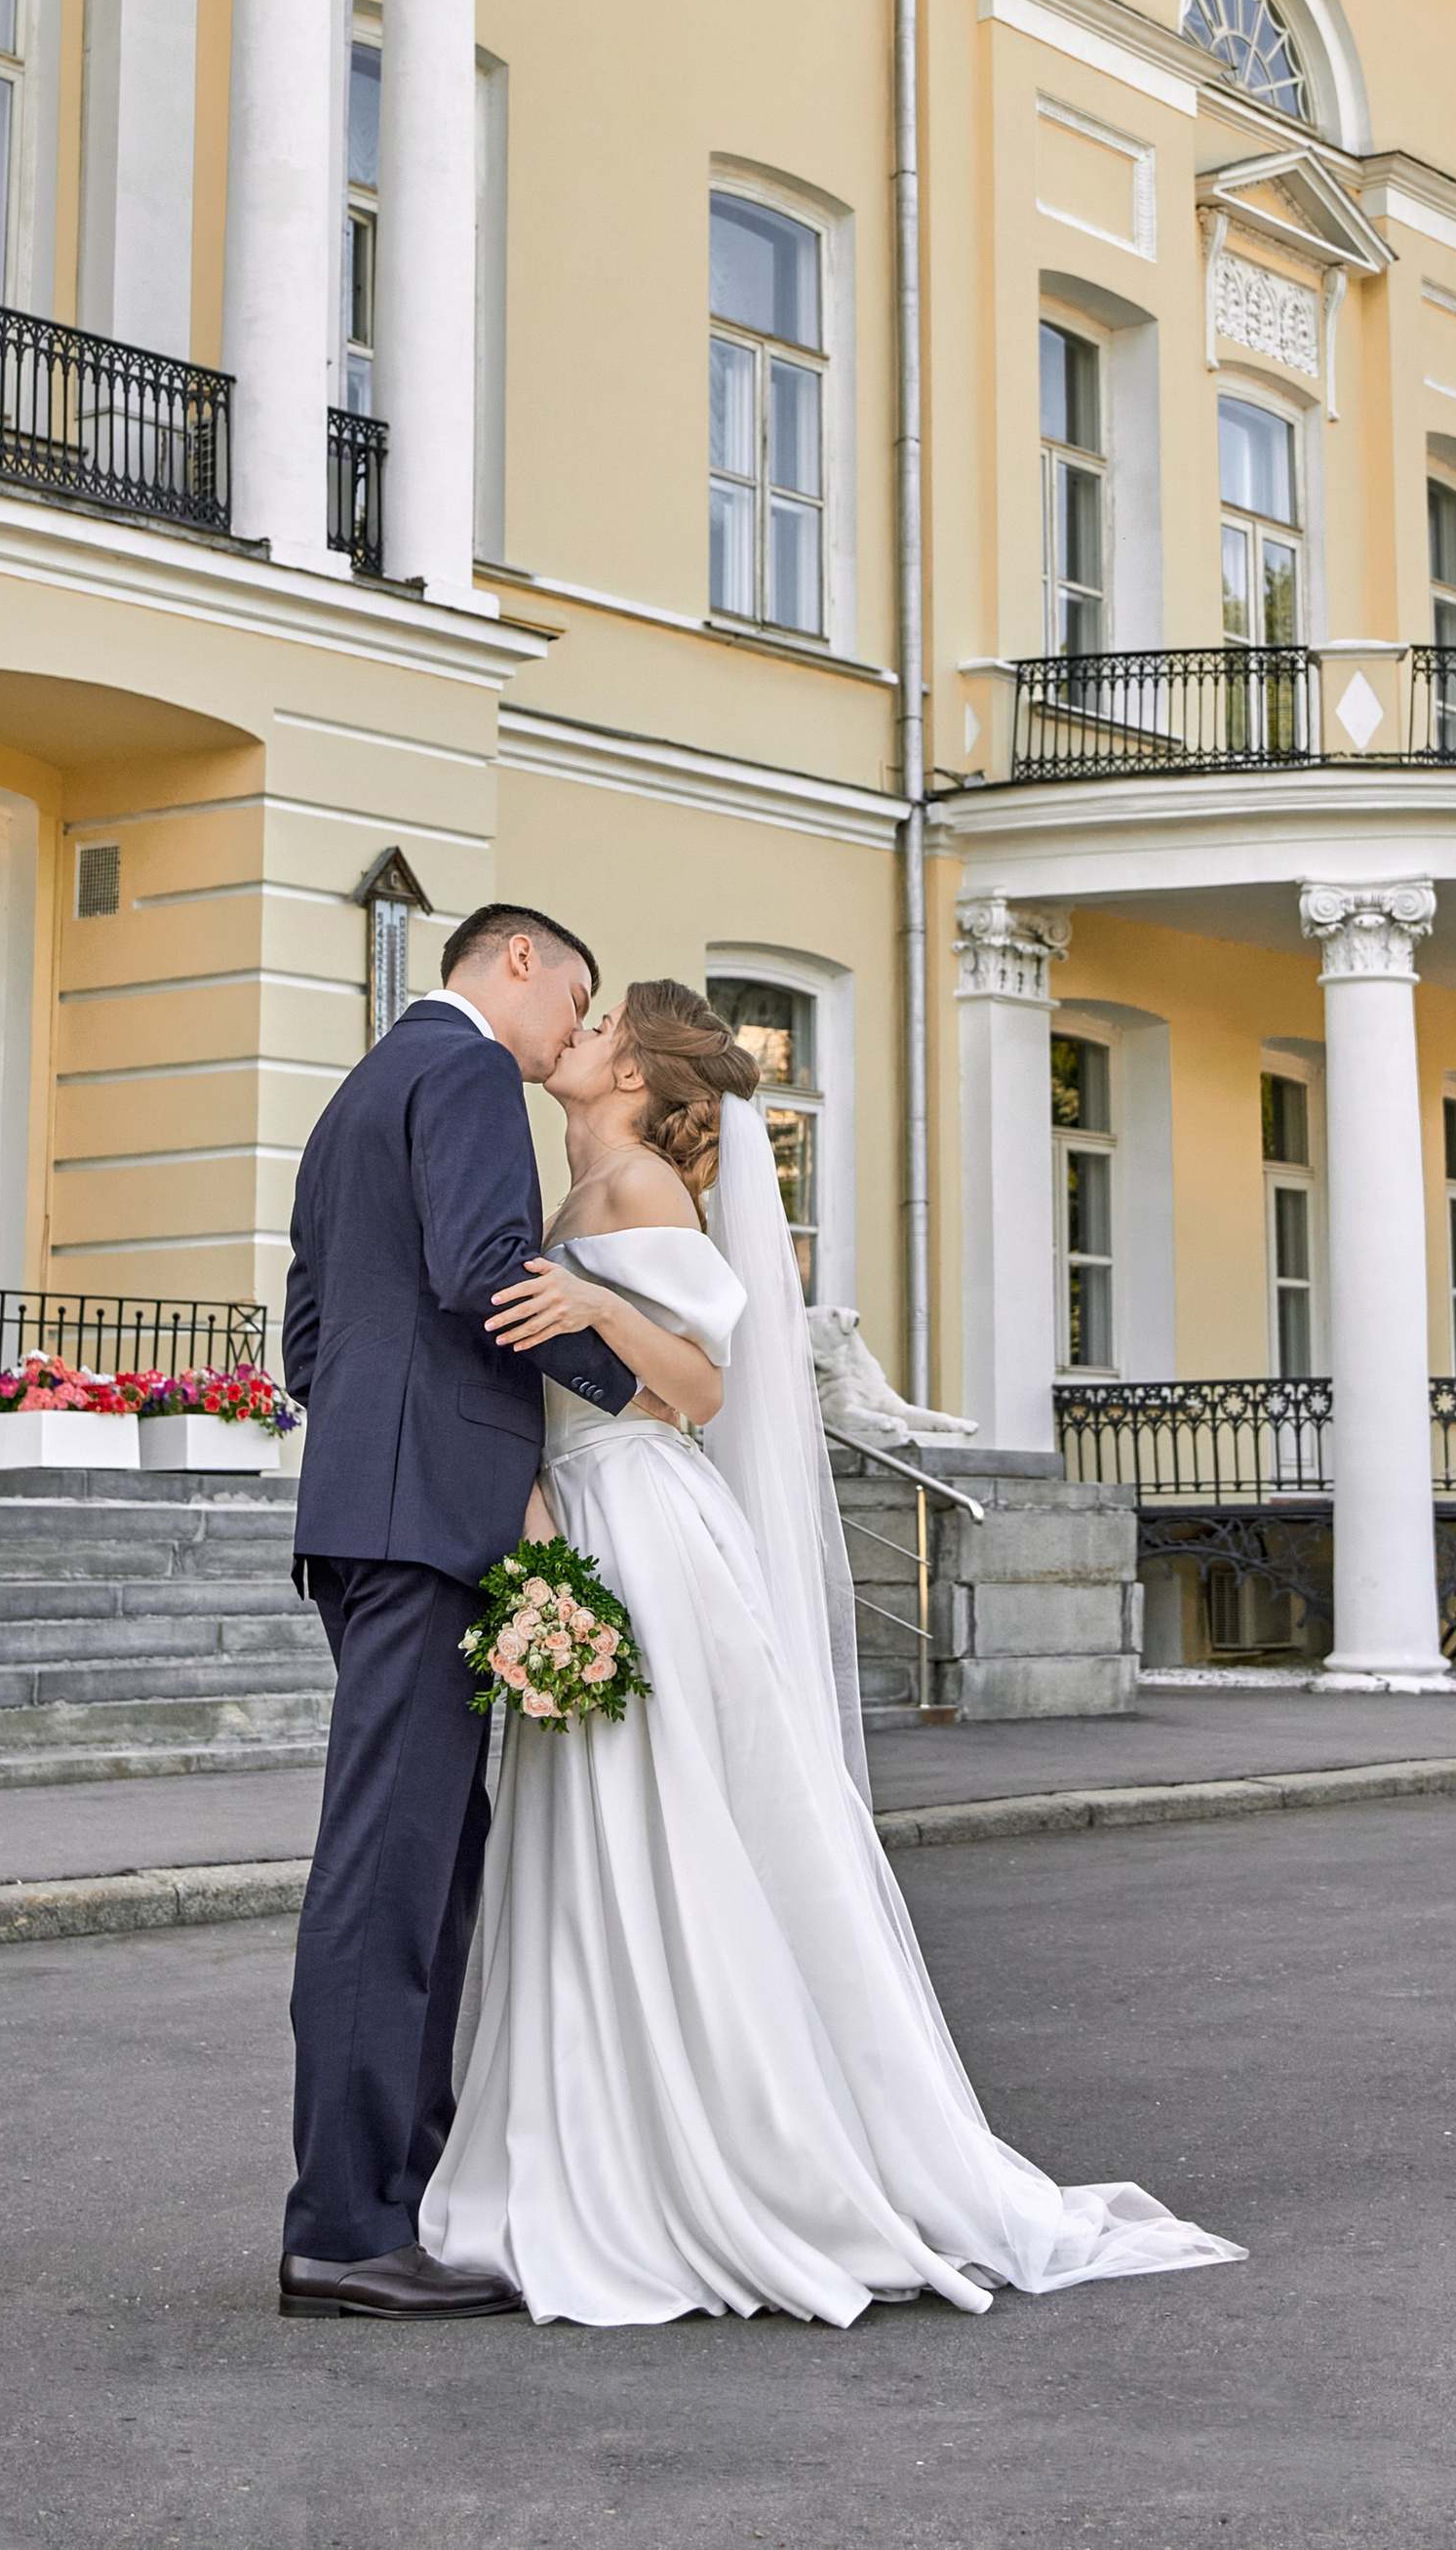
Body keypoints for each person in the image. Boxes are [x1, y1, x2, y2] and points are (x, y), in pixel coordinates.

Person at [413, 977, 1244, 2327]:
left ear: (632, 1074)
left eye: (601, 1024)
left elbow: (700, 1387)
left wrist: (590, 1308)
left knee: (672, 1826)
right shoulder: (577, 1189)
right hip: (576, 1519)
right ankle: (600, 2145)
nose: (576, 1031)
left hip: (647, 1527)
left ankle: (735, 2156)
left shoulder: (638, 1190)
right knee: (591, 1839)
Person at [275, 900, 645, 2325]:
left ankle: (400, 2200)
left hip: (370, 1515)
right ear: (517, 962)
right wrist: (643, 1396)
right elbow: (487, 1272)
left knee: (428, 1859)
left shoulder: (355, 1097)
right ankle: (344, 2228)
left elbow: (311, 1338)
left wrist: (383, 1443)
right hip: (426, 1524)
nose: (567, 1038)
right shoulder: (473, 1067)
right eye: (574, 1002)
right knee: (392, 1870)